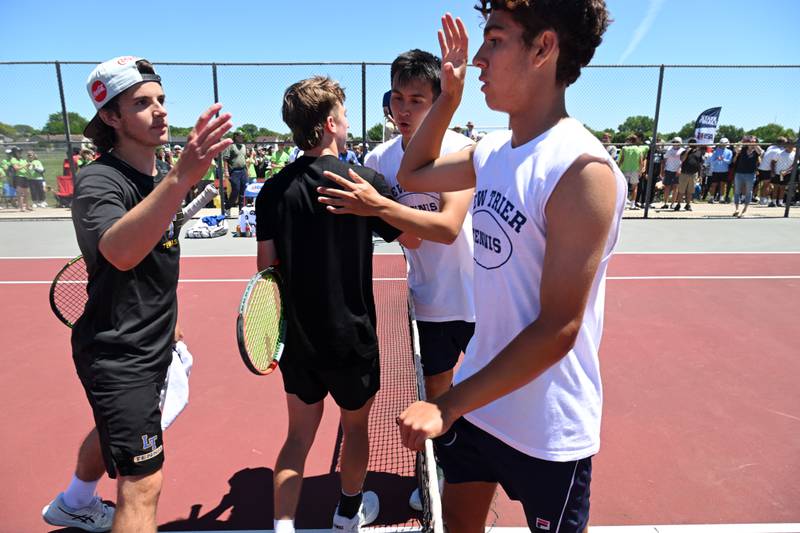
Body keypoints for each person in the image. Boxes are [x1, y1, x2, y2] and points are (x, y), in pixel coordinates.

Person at [394, 5, 623, 532]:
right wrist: (447, 100)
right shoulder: (493, 150)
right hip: (480, 407)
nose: (477, 59)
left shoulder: (581, 169)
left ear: (543, 48)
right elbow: (414, 171)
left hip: (546, 428)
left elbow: (558, 328)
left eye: (494, 40)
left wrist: (446, 405)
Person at [40, 56, 232, 533]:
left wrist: (172, 322)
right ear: (111, 117)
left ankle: (73, 501)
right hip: (119, 354)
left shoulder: (154, 176)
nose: (160, 111)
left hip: (152, 340)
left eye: (161, 100)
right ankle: (79, 500)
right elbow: (122, 253)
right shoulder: (99, 180)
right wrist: (180, 178)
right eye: (142, 103)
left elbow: (155, 266)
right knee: (142, 484)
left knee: (115, 436)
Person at [316, 48, 476, 511]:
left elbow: (445, 230)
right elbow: (374, 227)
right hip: (429, 301)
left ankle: (482, 473)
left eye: (418, 100)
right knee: (438, 397)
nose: (404, 111)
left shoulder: (458, 153)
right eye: (398, 99)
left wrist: (379, 208)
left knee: (491, 396)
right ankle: (438, 470)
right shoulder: (382, 160)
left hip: (485, 298)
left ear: (438, 101)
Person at [254, 76, 413, 533]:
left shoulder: (272, 191)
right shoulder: (361, 182)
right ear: (329, 124)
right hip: (350, 336)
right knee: (356, 430)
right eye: (343, 116)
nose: (346, 124)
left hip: (298, 342)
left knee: (297, 437)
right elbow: (417, 238)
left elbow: (266, 275)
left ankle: (283, 526)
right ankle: (347, 512)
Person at [731, 135, 762, 217]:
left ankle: (745, 210)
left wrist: (754, 145)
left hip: (750, 174)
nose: (751, 143)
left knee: (749, 192)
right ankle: (736, 209)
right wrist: (742, 141)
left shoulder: (756, 151)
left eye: (753, 141)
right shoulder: (743, 149)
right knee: (737, 191)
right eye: (750, 141)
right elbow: (736, 149)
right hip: (739, 173)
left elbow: (761, 152)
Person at [223, 131, 248, 215]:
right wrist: (226, 171)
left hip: (243, 171)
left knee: (243, 191)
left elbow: (244, 159)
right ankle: (227, 207)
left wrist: (247, 171)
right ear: (236, 136)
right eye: (240, 136)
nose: (242, 137)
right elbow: (225, 159)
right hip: (234, 172)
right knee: (235, 190)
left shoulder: (244, 146)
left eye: (242, 136)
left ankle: (241, 210)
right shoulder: (230, 146)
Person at [675, 139, 704, 211]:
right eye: (691, 143)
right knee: (681, 190)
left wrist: (700, 175)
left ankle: (688, 205)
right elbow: (682, 160)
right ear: (688, 144)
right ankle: (678, 204)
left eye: (694, 143)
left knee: (690, 191)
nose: (693, 144)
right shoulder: (684, 152)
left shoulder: (699, 153)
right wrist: (687, 152)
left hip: (694, 174)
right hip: (684, 173)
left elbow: (700, 165)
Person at [618, 133, 644, 209]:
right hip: (635, 170)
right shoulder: (639, 149)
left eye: (627, 140)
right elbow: (641, 161)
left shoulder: (624, 148)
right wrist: (640, 171)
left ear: (630, 140)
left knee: (624, 187)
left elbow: (621, 160)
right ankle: (632, 204)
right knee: (634, 188)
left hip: (625, 170)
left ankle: (624, 203)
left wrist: (618, 168)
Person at [707, 138, 733, 203]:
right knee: (714, 184)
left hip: (724, 171)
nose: (723, 145)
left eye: (724, 144)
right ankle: (711, 198)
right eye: (722, 144)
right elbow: (712, 161)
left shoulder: (729, 152)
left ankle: (721, 198)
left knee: (723, 184)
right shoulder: (715, 151)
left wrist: (723, 159)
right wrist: (717, 159)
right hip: (716, 170)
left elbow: (729, 162)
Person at [660, 137, 684, 209]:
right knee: (667, 187)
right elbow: (664, 159)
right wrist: (662, 170)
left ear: (680, 143)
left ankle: (673, 203)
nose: (675, 143)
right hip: (668, 170)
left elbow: (683, 161)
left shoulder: (683, 150)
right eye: (674, 142)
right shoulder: (669, 149)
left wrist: (680, 169)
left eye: (677, 142)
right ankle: (665, 203)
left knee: (675, 188)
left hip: (677, 171)